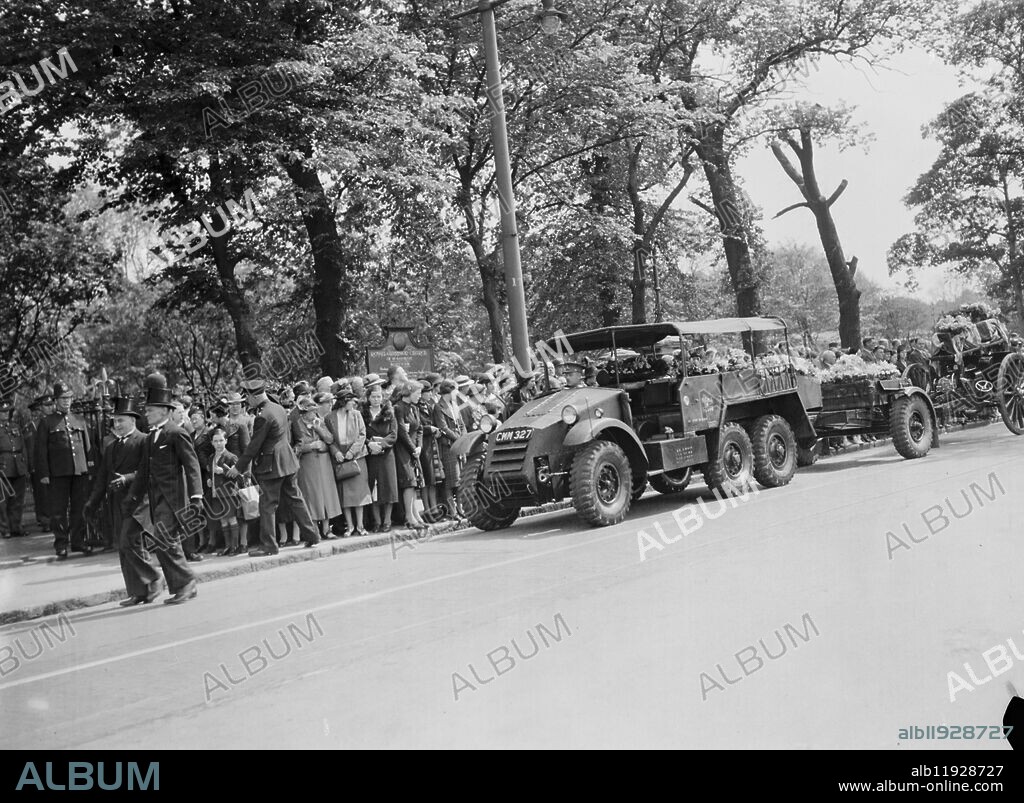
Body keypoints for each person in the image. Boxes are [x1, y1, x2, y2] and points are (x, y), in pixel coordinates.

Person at [122, 374, 202, 605]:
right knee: (164, 540)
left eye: (150, 410)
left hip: (174, 498)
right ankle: (182, 585)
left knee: (164, 537)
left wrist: (196, 496)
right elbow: (143, 472)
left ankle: (187, 581)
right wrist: (132, 498)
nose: (146, 414)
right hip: (156, 499)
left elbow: (192, 464)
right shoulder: (150, 439)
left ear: (165, 411)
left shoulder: (176, 433)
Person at [224, 373, 321, 556]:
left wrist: (238, 467)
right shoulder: (277, 408)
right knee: (295, 499)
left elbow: (254, 446)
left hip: (272, 466)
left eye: (248, 398)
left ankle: (269, 545)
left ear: (255, 396)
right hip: (288, 462)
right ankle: (312, 535)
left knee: (267, 505)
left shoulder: (263, 416)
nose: (247, 402)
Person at [83, 397, 164, 604]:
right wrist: (92, 503)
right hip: (119, 503)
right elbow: (102, 478)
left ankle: (154, 577)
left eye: (121, 421)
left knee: (129, 542)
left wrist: (127, 479)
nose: (116, 425)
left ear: (132, 420)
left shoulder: (144, 440)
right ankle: (137, 592)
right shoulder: (111, 447)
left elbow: (150, 472)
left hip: (139, 502)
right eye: (114, 421)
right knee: (124, 546)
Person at [35, 381, 94, 559]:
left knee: (79, 508)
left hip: (79, 471)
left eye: (69, 398)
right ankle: (61, 543)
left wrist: (89, 468)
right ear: (56, 400)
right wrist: (44, 474)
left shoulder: (79, 420)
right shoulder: (47, 422)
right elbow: (40, 451)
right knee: (59, 510)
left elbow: (87, 446)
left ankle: (78, 541)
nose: (66, 401)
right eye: (63, 398)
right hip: (58, 473)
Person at [292, 395, 341, 539]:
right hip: (307, 465)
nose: (314, 413)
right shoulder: (296, 424)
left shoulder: (319, 421)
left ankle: (327, 529)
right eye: (312, 411)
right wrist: (310, 446)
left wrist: (318, 428)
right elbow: (295, 447)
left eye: (315, 410)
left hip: (323, 463)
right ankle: (314, 531)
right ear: (304, 413)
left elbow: (330, 439)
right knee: (311, 497)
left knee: (326, 495)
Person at [327, 389, 371, 537]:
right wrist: (336, 452)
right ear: (343, 401)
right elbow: (329, 439)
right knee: (345, 495)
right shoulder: (330, 417)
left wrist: (352, 452)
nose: (353, 403)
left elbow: (362, 435)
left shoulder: (356, 415)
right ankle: (350, 526)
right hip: (340, 459)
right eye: (351, 400)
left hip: (356, 457)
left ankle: (360, 525)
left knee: (359, 493)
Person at [363, 380, 398, 532]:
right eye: (373, 397)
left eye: (379, 397)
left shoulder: (389, 413)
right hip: (371, 455)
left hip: (386, 455)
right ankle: (377, 522)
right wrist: (369, 444)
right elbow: (360, 433)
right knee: (374, 489)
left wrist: (382, 444)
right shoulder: (363, 415)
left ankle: (387, 521)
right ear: (368, 398)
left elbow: (394, 434)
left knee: (388, 488)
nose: (376, 399)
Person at [204, 426, 244, 556]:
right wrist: (210, 480)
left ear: (226, 441)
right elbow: (210, 473)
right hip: (216, 494)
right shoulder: (211, 458)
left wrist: (225, 471)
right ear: (211, 443)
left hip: (228, 493)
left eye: (221, 440)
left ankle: (235, 546)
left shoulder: (231, 457)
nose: (218, 444)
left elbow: (239, 476)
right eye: (215, 441)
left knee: (231, 519)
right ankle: (227, 546)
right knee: (223, 520)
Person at [393, 381, 427, 531]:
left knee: (414, 483)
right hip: (403, 449)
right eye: (417, 393)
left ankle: (415, 514)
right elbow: (401, 431)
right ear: (409, 392)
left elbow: (419, 428)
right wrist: (413, 448)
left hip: (414, 449)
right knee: (408, 482)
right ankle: (409, 516)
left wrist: (419, 446)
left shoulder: (414, 408)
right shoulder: (398, 408)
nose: (419, 396)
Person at [432, 379, 464, 520]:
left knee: (460, 480)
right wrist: (458, 438)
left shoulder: (455, 405)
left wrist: (464, 438)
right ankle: (453, 511)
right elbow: (443, 427)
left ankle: (461, 508)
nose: (456, 393)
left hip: (460, 445)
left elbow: (461, 424)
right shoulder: (438, 407)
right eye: (454, 390)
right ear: (448, 392)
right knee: (451, 481)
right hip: (448, 446)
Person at [0, 391, 30, 539]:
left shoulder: (15, 426)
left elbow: (23, 446)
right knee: (3, 501)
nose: (5, 414)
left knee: (18, 499)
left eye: (7, 412)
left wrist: (26, 465)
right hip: (3, 467)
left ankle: (16, 527)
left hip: (18, 465)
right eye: (2, 412)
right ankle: (5, 529)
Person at [25, 393, 53, 531]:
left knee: (52, 493)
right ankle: (45, 520)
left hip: (53, 464)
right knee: (42, 494)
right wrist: (32, 467)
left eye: (50, 405)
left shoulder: (53, 421)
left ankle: (52, 519)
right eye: (46, 406)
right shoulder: (34, 426)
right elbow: (31, 448)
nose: (49, 408)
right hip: (39, 465)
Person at [417, 379, 442, 520]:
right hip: (423, 444)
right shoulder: (416, 407)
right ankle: (427, 509)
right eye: (427, 392)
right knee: (425, 480)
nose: (430, 394)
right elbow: (418, 427)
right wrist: (429, 429)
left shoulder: (428, 405)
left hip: (431, 443)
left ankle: (434, 508)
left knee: (432, 479)